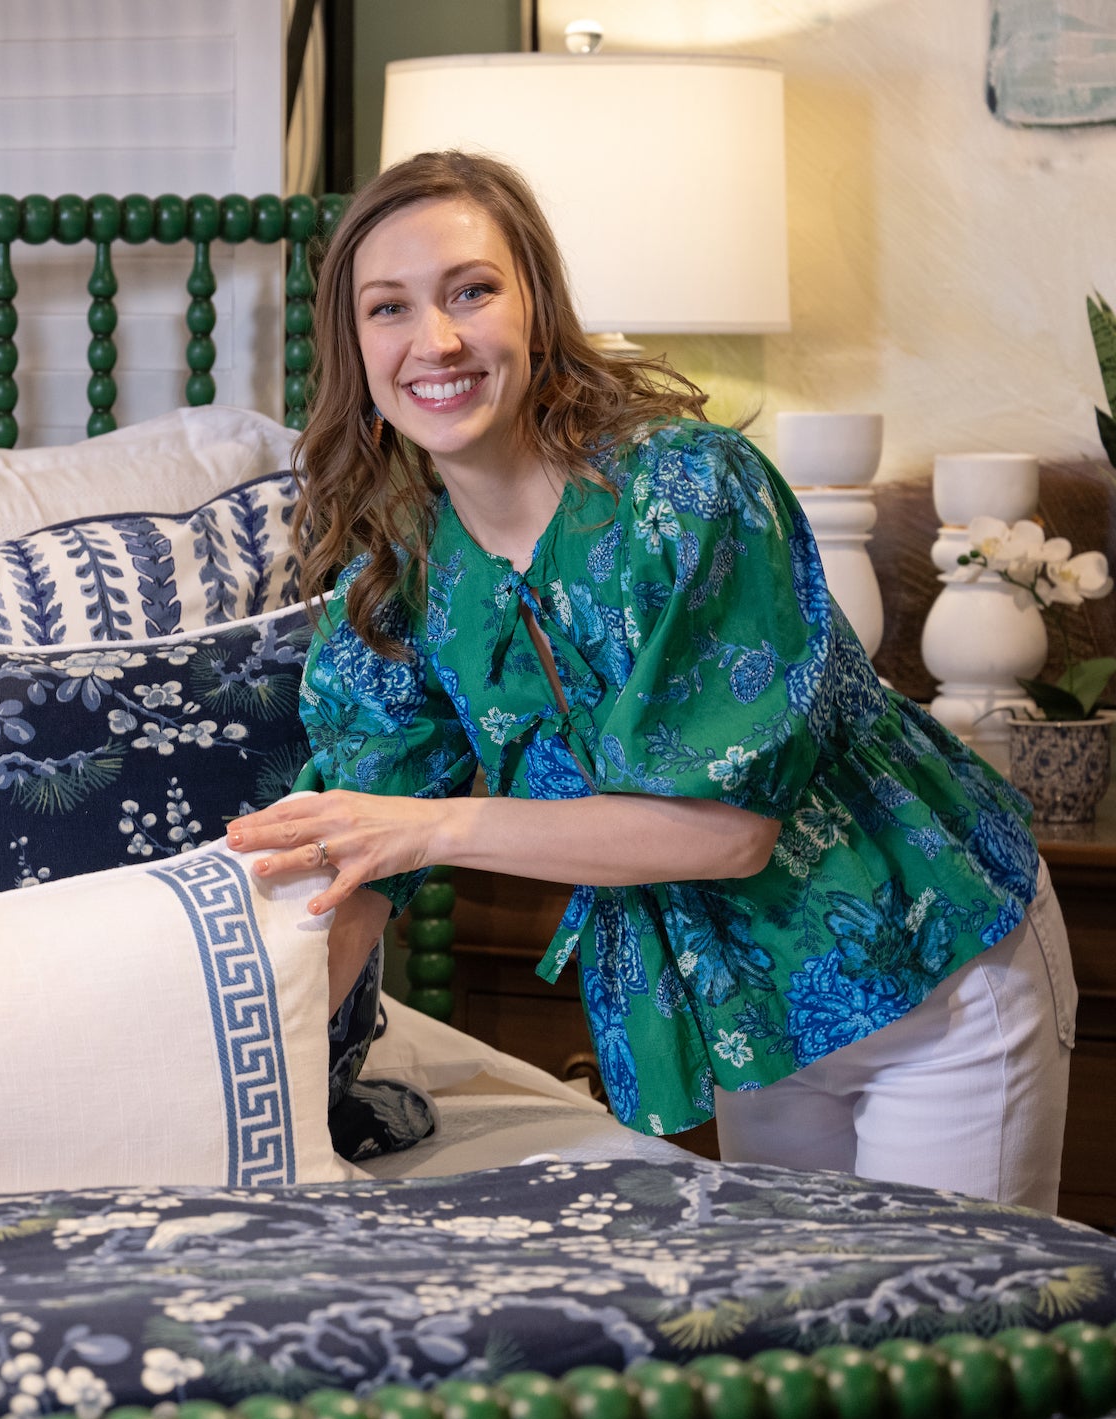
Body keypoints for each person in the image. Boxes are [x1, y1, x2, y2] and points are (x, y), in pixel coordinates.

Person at [225, 150, 1078, 1210]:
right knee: (806, 1312)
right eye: (388, 307)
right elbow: (354, 863)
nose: (435, 341)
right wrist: (252, 1096)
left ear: (539, 309)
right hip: (757, 1014)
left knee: (956, 1310)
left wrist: (428, 828)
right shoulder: (401, 576)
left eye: (472, 292)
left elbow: (726, 832)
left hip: (936, 968)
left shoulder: (689, 490)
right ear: (356, 348)